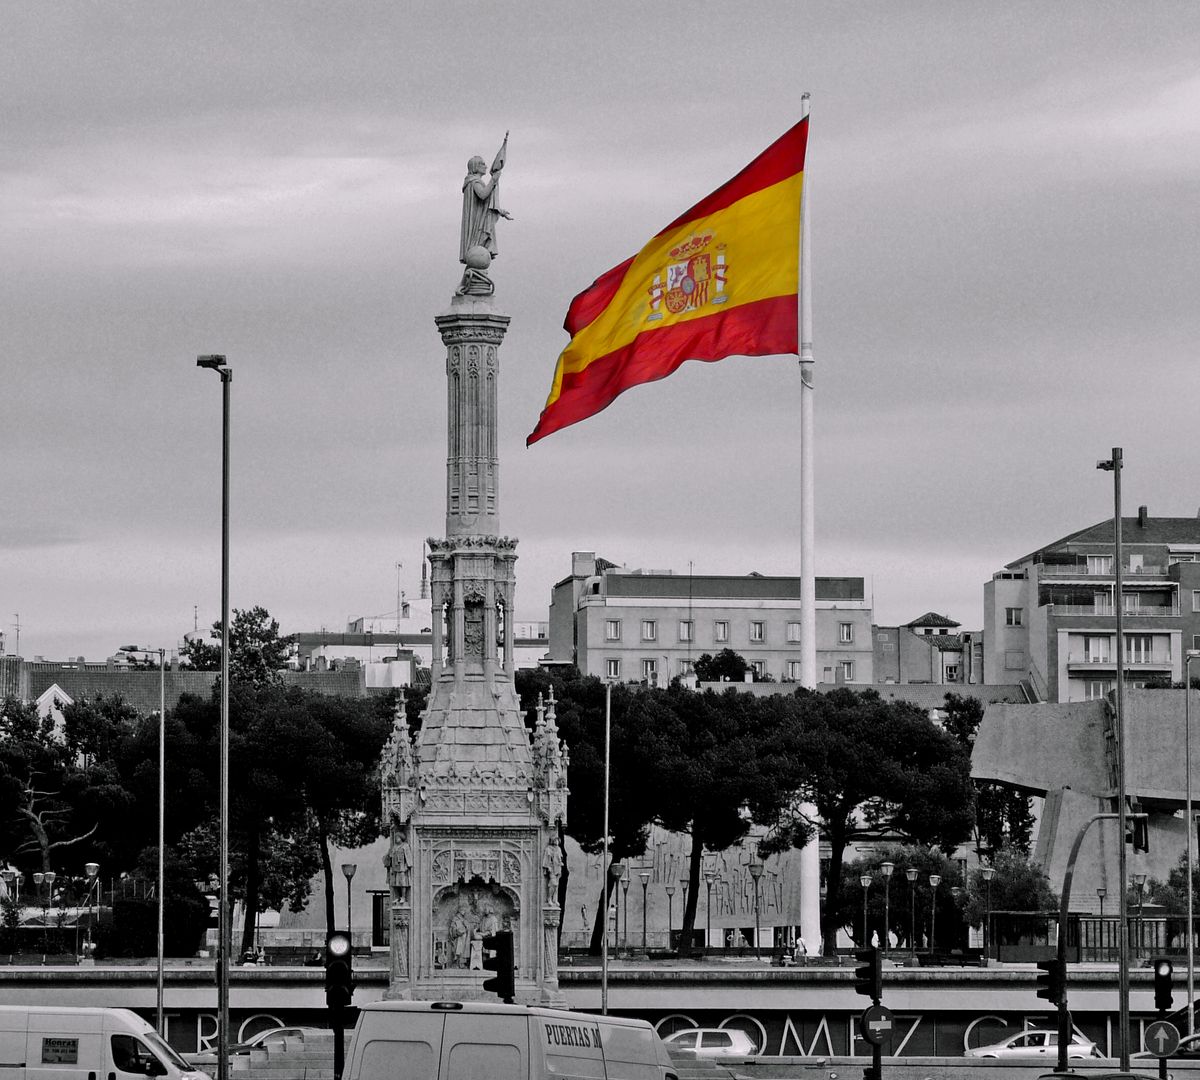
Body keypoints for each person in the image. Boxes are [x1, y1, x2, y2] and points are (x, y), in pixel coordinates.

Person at [460, 136, 512, 266]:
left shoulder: (473, 182)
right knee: (478, 256)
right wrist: (493, 180)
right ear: (476, 166)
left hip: (478, 221)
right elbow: (483, 196)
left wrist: (499, 211)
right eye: (482, 164)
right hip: (476, 226)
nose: (486, 166)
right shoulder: (473, 182)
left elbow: (484, 204)